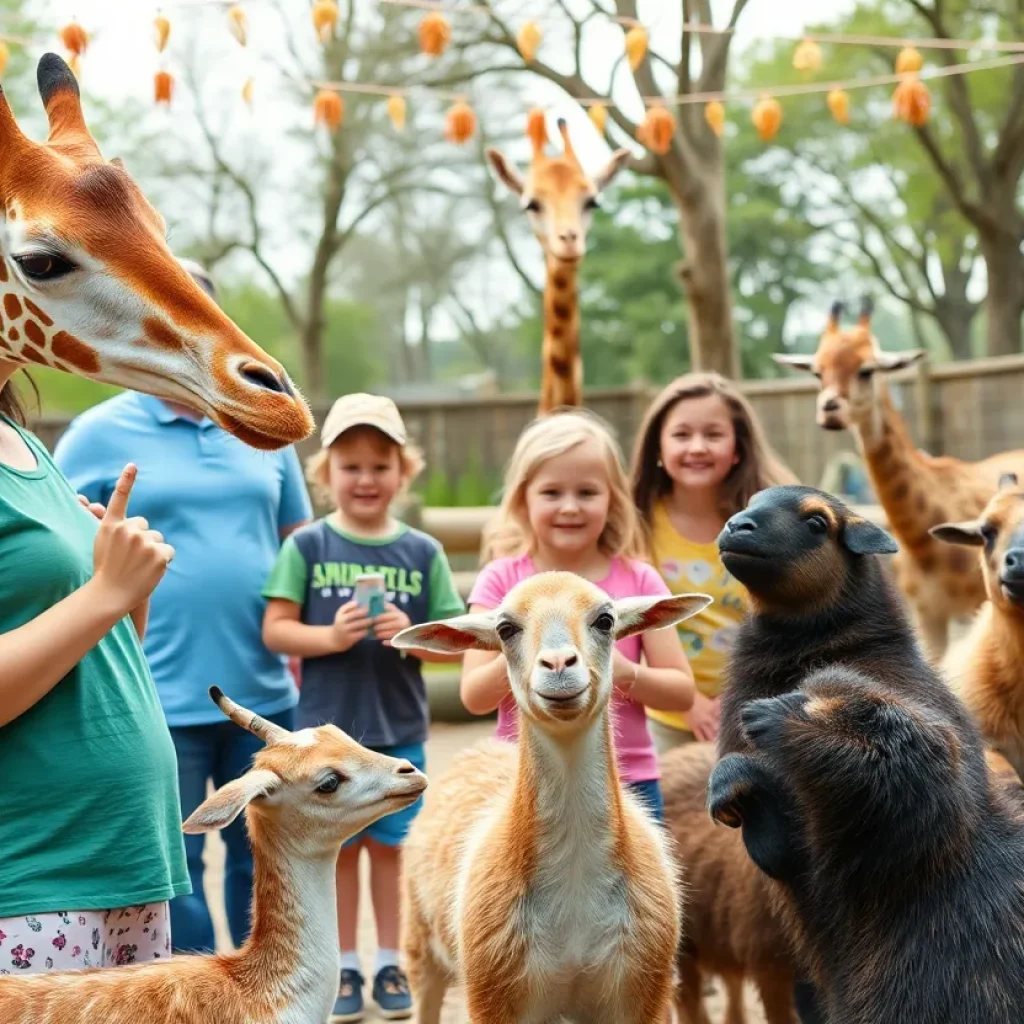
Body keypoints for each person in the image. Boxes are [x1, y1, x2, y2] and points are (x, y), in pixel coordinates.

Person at [53, 258, 312, 955]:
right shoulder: (97, 432)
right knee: (182, 864)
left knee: (266, 857)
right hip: (154, 686)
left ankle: (265, 988)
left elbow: (297, 543)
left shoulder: (261, 422)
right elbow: (61, 538)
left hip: (263, 688)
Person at [262, 392, 464, 1023]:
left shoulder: (423, 552)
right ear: (326, 476)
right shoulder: (309, 547)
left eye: (381, 466)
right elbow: (275, 630)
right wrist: (332, 637)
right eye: (351, 466)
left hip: (397, 731)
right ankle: (345, 964)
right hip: (325, 742)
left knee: (393, 853)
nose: (366, 479)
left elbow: (454, 644)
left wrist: (413, 630)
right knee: (339, 852)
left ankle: (391, 965)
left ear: (404, 472)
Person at [0, 367, 188, 974]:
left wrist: (129, 592)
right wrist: (106, 589)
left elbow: (102, 655)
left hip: (127, 861)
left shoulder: (23, 442)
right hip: (37, 875)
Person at [462, 409, 696, 825]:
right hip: (523, 781)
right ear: (523, 498)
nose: (570, 507)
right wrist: (521, 645)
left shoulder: (639, 578)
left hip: (626, 782)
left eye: (587, 492)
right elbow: (474, 696)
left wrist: (620, 670)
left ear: (612, 498)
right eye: (552, 493)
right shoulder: (502, 580)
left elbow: (681, 692)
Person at [630, 372, 796, 755]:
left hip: (756, 709)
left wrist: (741, 697)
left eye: (714, 434)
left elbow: (788, 621)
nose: (698, 447)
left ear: (738, 448)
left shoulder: (769, 526)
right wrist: (689, 705)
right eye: (682, 434)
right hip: (664, 718)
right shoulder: (634, 523)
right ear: (658, 444)